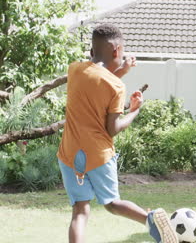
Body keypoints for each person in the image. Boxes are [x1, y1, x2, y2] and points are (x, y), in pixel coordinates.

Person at [57, 24, 178, 243]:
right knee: (112, 203)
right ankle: (149, 219)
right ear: (116, 50)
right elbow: (112, 129)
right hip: (98, 155)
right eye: (121, 53)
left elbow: (95, 78)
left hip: (70, 155)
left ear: (93, 51)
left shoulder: (74, 69)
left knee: (80, 210)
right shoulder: (116, 86)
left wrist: (121, 71)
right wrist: (134, 111)